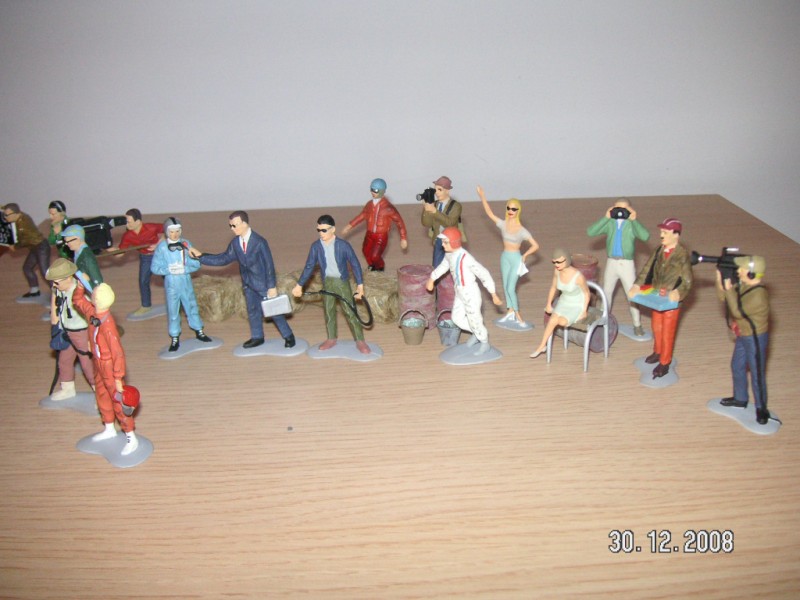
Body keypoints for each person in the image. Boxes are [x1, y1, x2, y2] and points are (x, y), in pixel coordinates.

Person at [189, 211, 295, 349]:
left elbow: (269, 265)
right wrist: (201, 257)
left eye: (235, 225)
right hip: (248, 285)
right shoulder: (235, 243)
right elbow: (223, 258)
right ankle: (257, 337)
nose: (232, 229)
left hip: (263, 284)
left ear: (244, 223)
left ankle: (288, 336)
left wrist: (271, 286)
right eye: (231, 226)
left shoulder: (259, 242)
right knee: (252, 311)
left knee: (274, 311)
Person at [71, 282, 139, 456]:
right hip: (97, 362)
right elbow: (77, 300)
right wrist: (79, 287)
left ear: (98, 300)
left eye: (93, 294)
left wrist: (118, 377)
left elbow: (118, 353)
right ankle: (109, 427)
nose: (91, 295)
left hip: (109, 366)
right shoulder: (92, 313)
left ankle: (130, 436)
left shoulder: (108, 326)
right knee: (102, 396)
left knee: (119, 402)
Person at [291, 215, 370, 354]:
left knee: (350, 311)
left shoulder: (343, 245)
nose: (321, 233)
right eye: (319, 230)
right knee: (328, 311)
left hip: (341, 282)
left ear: (333, 229)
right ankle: (331, 338)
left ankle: (360, 340)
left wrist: (360, 286)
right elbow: (309, 266)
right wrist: (299, 285)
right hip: (327, 282)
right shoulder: (316, 246)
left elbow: (355, 264)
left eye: (324, 230)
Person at [628, 218, 693, 378]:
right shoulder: (659, 250)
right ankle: (657, 352)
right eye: (661, 231)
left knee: (667, 332)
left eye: (665, 232)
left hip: (670, 301)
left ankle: (665, 362)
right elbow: (647, 269)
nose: (661, 235)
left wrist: (678, 292)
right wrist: (637, 285)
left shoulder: (682, 255)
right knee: (656, 327)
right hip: (656, 297)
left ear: (676, 235)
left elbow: (688, 280)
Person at [425, 227, 502, 355]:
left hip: (470, 292)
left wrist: (493, 293)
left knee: (474, 319)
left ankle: (484, 341)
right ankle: (476, 333)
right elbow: (443, 266)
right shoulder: (449, 255)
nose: (443, 245)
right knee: (456, 318)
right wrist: (432, 278)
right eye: (443, 242)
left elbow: (483, 273)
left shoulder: (466, 257)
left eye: (445, 242)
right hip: (459, 291)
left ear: (454, 242)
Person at [715, 256, 771, 425]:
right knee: (737, 365)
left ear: (752, 274)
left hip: (755, 338)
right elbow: (724, 298)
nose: (738, 271)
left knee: (757, 373)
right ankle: (740, 398)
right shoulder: (744, 286)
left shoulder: (759, 295)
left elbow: (737, 312)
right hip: (743, 334)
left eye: (742, 269)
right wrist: (720, 280)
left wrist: (729, 289)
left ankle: (761, 408)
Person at [586, 199, 650, 335]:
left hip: (626, 264)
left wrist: (634, 220)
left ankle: (637, 325)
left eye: (624, 209)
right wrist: (606, 217)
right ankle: (603, 321)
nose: (620, 212)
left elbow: (645, 236)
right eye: (617, 208)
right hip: (612, 262)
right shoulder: (610, 223)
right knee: (606, 293)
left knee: (632, 295)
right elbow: (591, 232)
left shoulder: (631, 225)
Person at [477, 185, 539, 326]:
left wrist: (525, 255)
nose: (511, 211)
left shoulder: (522, 230)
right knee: (505, 286)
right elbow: (490, 214)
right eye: (509, 208)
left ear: (518, 211)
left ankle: (518, 315)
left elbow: (535, 245)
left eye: (514, 209)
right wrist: (482, 196)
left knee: (511, 288)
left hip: (516, 259)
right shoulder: (503, 224)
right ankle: (510, 312)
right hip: (505, 257)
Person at [150, 217, 212, 351]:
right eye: (172, 232)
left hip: (185, 281)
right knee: (173, 311)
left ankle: (199, 330)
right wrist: (169, 270)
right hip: (171, 284)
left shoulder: (186, 244)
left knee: (192, 306)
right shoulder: (162, 248)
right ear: (166, 232)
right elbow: (154, 267)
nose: (175, 234)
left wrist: (185, 269)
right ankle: (174, 337)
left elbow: (196, 263)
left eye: (177, 231)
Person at [45, 258, 95, 400]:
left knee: (87, 364)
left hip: (81, 333)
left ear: (68, 278)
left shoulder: (79, 293)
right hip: (67, 332)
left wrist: (92, 338)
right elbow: (56, 312)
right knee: (64, 361)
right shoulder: (60, 291)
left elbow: (91, 315)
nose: (54, 285)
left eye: (57, 282)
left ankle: (99, 391)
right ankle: (67, 389)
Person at [530, 249, 590, 358]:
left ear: (567, 260)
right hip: (564, 301)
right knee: (552, 320)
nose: (556, 265)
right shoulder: (557, 272)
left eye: (559, 262)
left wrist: (584, 310)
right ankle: (542, 346)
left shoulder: (578, 276)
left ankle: (543, 345)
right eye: (554, 262)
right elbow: (553, 287)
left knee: (562, 322)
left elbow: (586, 293)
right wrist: (548, 304)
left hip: (577, 304)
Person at [340, 178, 408, 271]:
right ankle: (372, 265)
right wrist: (349, 226)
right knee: (365, 251)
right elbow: (362, 215)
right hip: (369, 234)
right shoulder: (369, 205)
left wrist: (403, 238)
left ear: (382, 191)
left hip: (381, 236)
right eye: (371, 189)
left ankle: (380, 267)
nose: (373, 192)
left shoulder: (388, 208)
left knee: (375, 255)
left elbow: (399, 222)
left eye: (375, 190)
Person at [110, 208, 162, 316]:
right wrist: (112, 251)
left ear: (138, 222)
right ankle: (146, 306)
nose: (126, 224)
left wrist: (158, 244)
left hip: (160, 256)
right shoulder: (127, 236)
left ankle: (179, 299)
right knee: (143, 281)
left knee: (170, 278)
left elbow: (169, 229)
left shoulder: (151, 227)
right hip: (145, 258)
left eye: (128, 221)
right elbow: (121, 253)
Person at [2, 203, 51, 297]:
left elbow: (24, 241)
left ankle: (58, 292)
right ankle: (34, 290)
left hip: (41, 247)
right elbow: (9, 208)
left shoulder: (22, 227)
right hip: (34, 248)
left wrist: (15, 247)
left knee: (45, 272)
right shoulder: (20, 215)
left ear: (15, 213)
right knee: (27, 268)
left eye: (7, 215)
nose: (5, 217)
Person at [421, 176, 464, 267]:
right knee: (437, 265)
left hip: (451, 240)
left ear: (447, 191)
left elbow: (450, 223)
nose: (436, 193)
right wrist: (426, 209)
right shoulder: (435, 204)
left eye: (440, 190)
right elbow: (426, 223)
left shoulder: (456, 206)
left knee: (453, 265)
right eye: (435, 190)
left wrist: (435, 211)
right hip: (438, 239)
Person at [60, 224, 103, 293]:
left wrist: (96, 292)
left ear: (78, 239)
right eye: (66, 242)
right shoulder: (77, 252)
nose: (67, 244)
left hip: (91, 291)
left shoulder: (87, 257)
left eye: (68, 241)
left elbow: (97, 279)